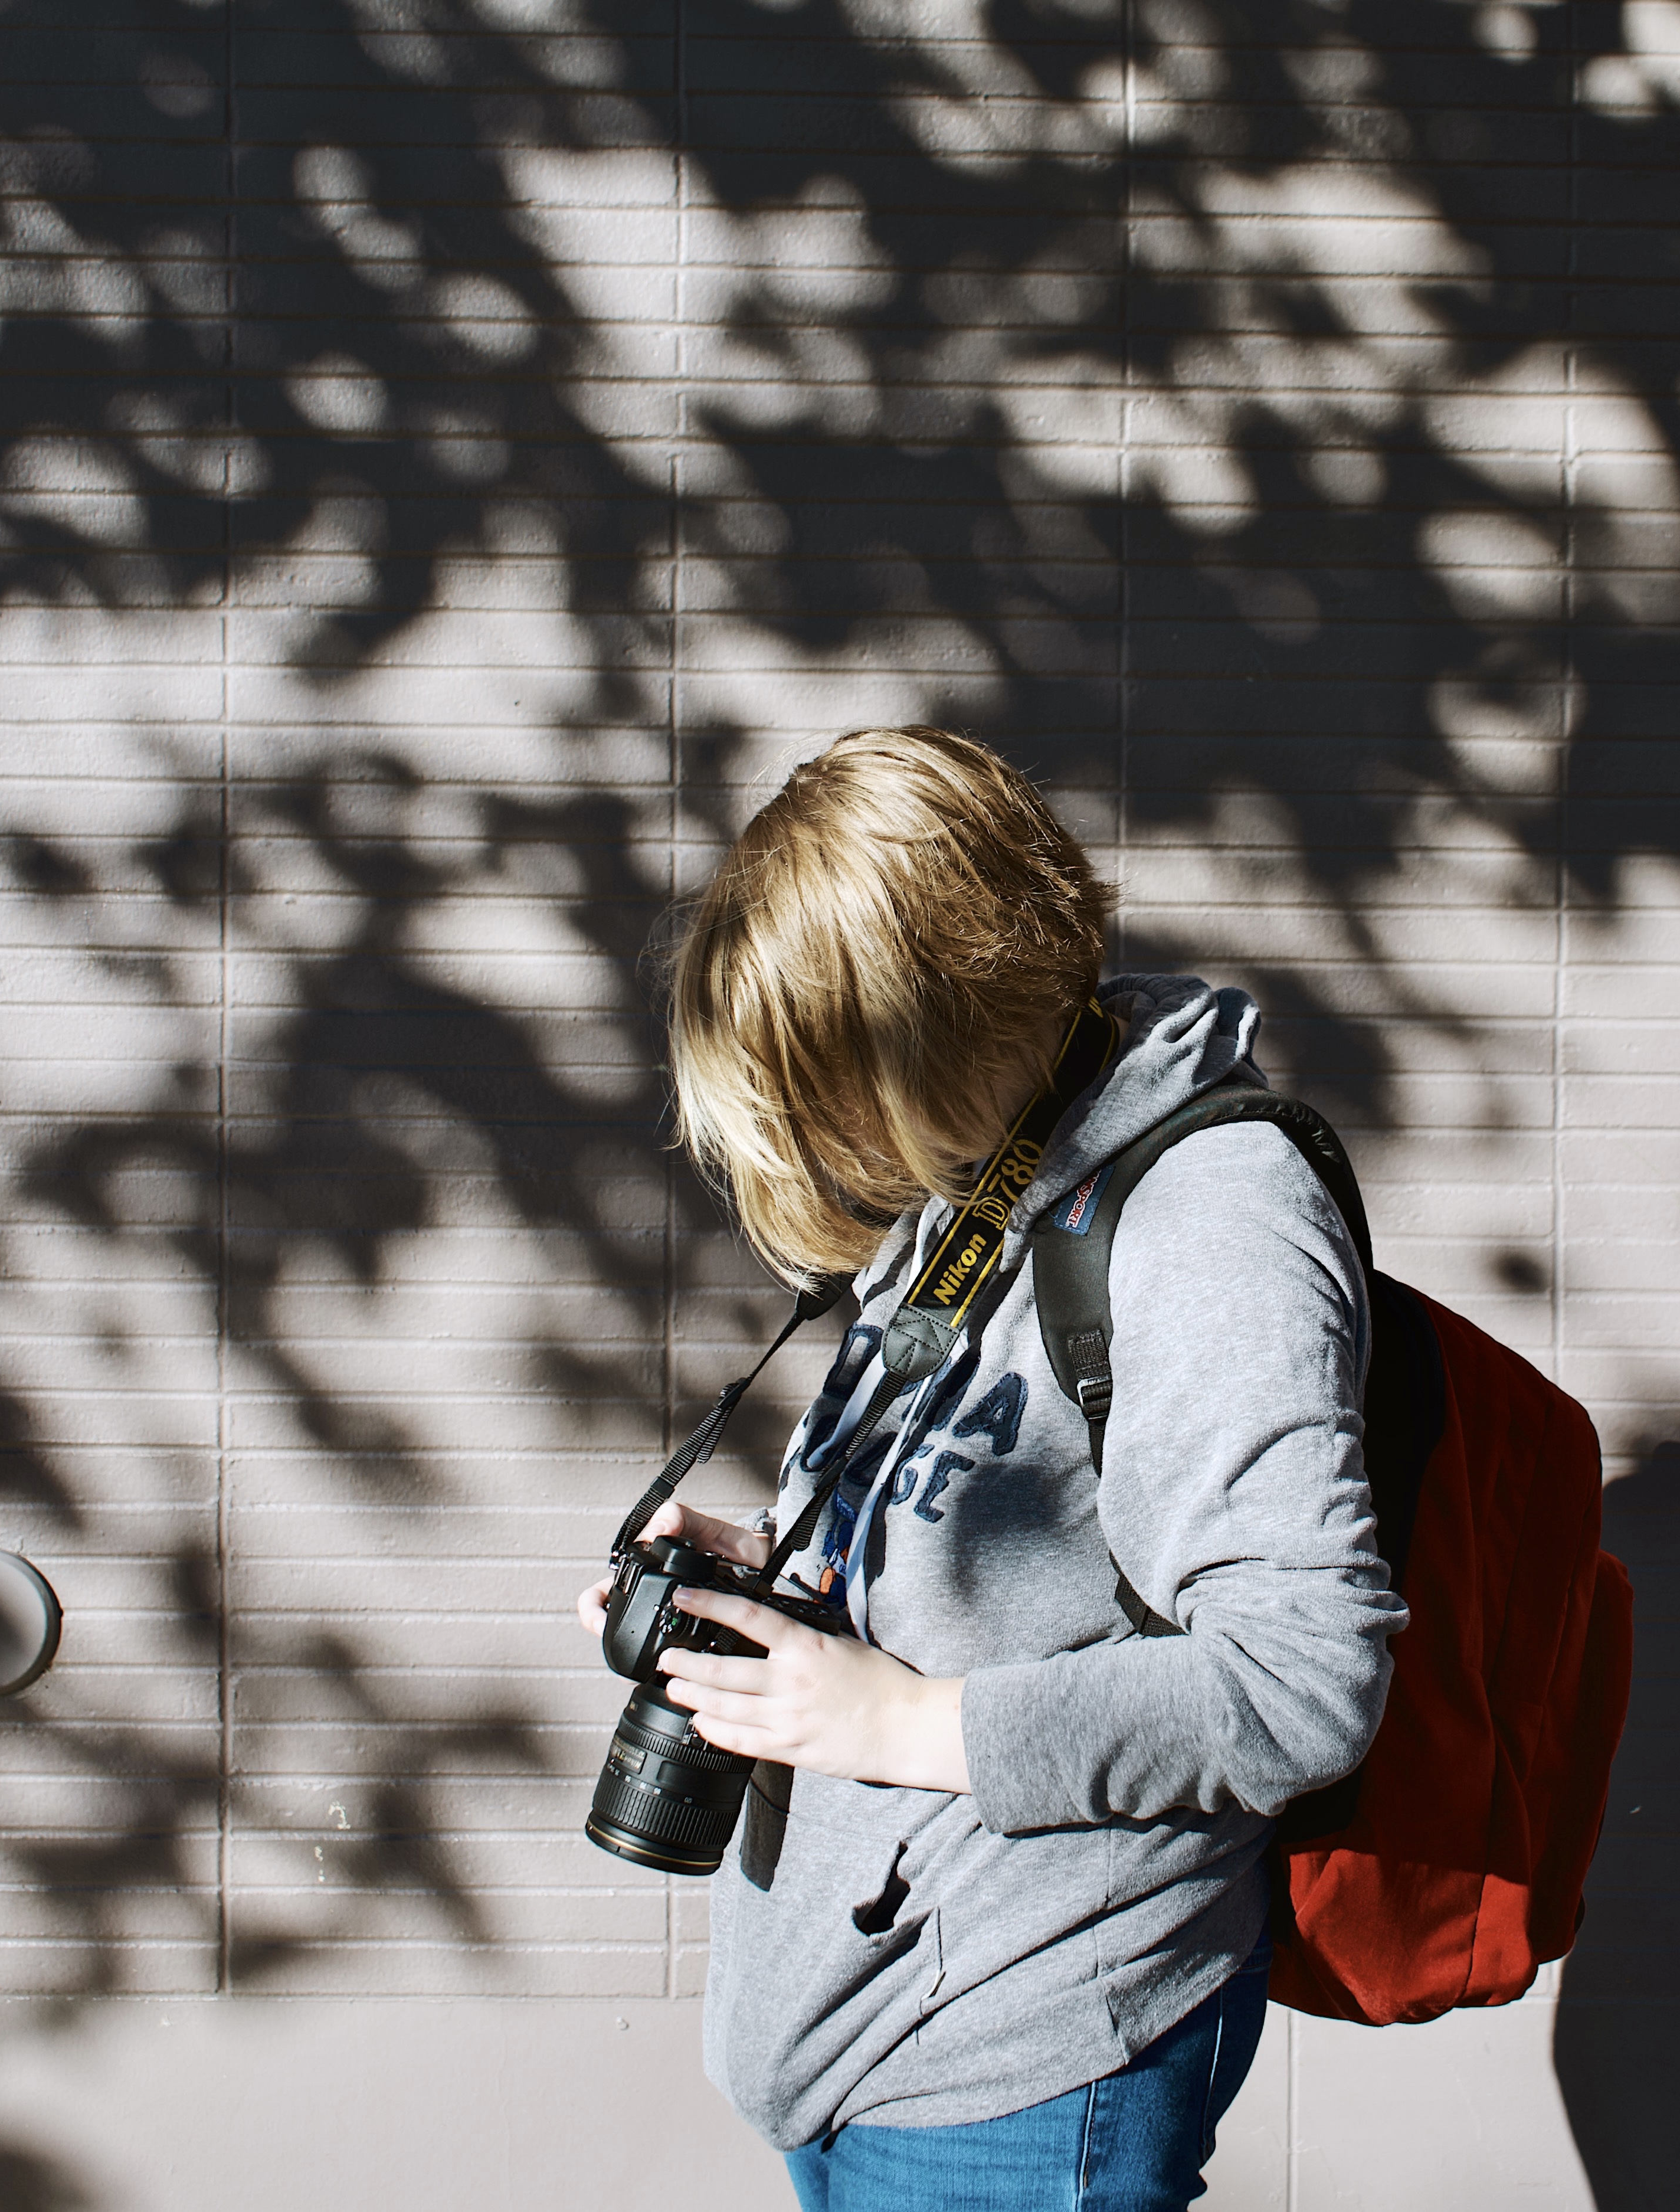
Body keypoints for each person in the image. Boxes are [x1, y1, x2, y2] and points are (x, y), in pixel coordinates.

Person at [575, 725, 1402, 2211]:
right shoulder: (1002, 1161)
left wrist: (895, 1720)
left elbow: (1303, 1675)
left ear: (928, 1032)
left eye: (825, 1090)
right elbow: (1017, 1533)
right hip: (875, 2023)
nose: (821, 1147)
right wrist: (780, 1565)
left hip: (1021, 2068)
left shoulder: (1208, 1218)